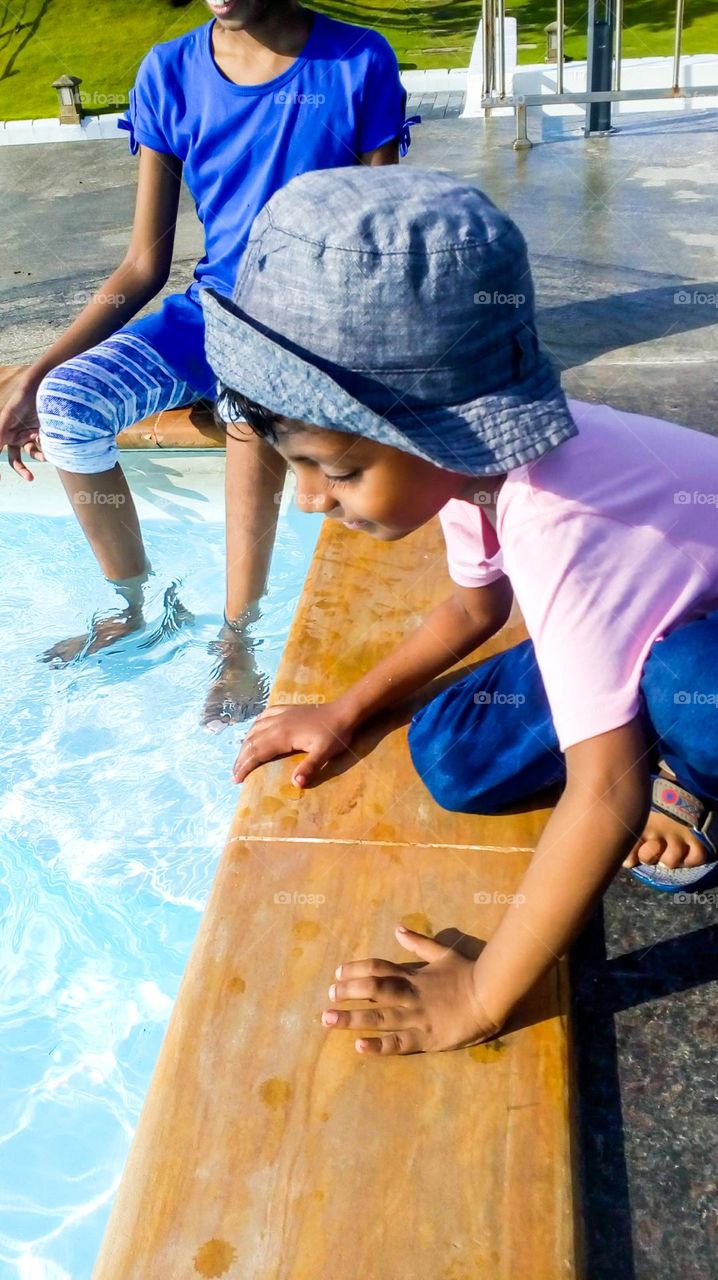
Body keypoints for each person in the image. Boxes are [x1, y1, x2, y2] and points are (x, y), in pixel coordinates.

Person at [199, 164, 718, 1056]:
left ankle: (700, 781)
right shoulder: (474, 477)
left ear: (439, 430)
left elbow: (606, 792)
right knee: (454, 757)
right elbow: (478, 607)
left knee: (682, 687)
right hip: (664, 608)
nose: (316, 503)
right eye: (305, 469)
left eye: (342, 470)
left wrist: (478, 998)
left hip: (700, 653)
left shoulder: (561, 516)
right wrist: (346, 709)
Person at [0, 0, 414, 729]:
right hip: (210, 312)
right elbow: (142, 263)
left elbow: (383, 237)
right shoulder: (169, 72)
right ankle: (133, 606)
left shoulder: (358, 60)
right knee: (68, 402)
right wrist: (39, 371)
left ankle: (238, 637)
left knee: (247, 404)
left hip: (316, 311)